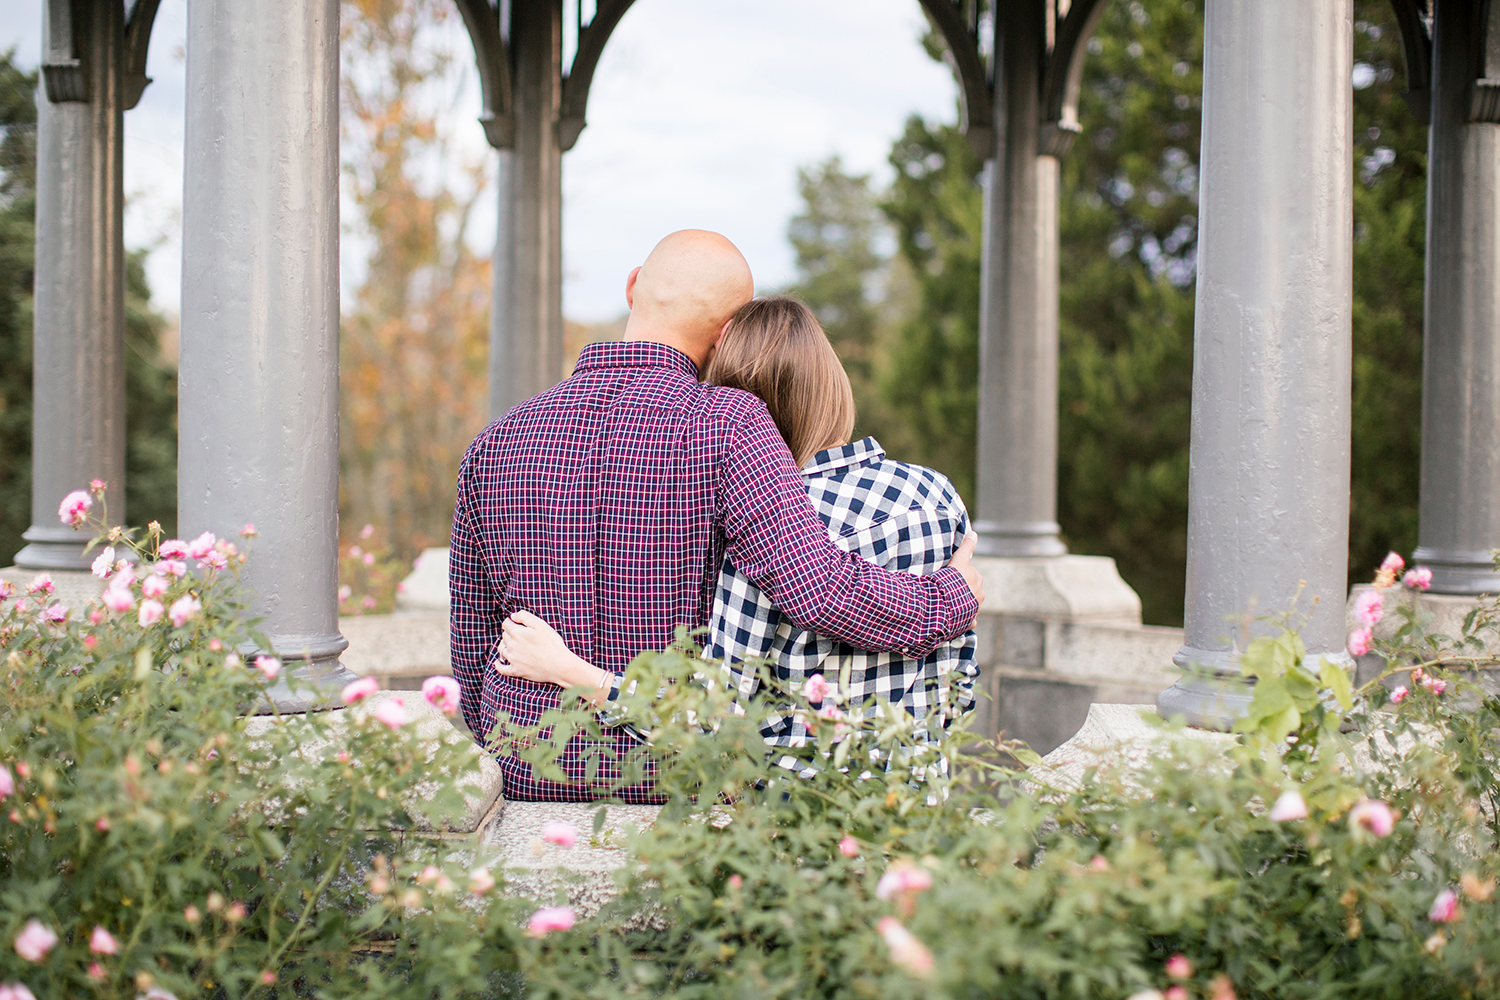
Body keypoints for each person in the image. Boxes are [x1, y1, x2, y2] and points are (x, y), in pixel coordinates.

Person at [449, 231, 983, 803]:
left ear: (633, 287)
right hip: (677, 776)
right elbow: (820, 591)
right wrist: (953, 597)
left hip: (531, 766)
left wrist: (507, 742)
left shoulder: (494, 442)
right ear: (729, 332)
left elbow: (471, 646)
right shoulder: (732, 425)